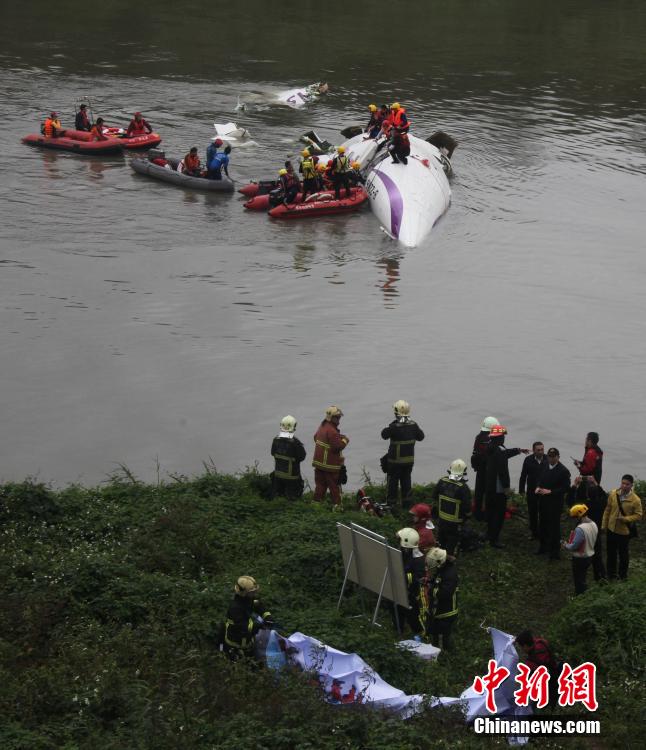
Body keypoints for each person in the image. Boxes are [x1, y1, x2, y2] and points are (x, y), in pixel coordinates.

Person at [485, 425, 529, 548]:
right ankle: (494, 540)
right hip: (499, 489)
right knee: (498, 514)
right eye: (503, 436)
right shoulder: (499, 450)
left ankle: (489, 534)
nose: (504, 438)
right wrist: (506, 487)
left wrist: (518, 450)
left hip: (489, 486)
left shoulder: (491, 447)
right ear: (499, 437)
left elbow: (504, 453)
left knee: (490, 511)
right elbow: (503, 471)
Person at [381, 400, 425, 506]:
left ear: (396, 413)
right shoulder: (414, 425)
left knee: (392, 485)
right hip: (408, 463)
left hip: (394, 463)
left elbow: (384, 435)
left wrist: (392, 424)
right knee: (406, 483)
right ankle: (407, 506)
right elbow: (421, 437)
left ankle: (391, 507)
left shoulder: (394, 427)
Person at [222, 576, 273, 661]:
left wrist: (267, 616)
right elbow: (243, 626)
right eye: (252, 592)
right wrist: (260, 626)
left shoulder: (248, 599)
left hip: (248, 643)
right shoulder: (235, 608)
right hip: (235, 646)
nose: (254, 594)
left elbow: (259, 606)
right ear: (244, 593)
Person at [602, 474, 642, 580]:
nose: (624, 486)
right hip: (611, 529)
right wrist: (604, 525)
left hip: (624, 532)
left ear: (631, 485)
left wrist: (626, 519)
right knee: (610, 553)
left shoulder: (635, 500)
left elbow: (639, 515)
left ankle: (623, 576)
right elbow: (607, 510)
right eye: (623, 483)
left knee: (623, 555)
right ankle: (611, 575)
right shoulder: (613, 494)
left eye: (627, 484)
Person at [535, 448, 572, 560]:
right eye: (550, 456)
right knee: (543, 524)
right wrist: (538, 487)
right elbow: (540, 479)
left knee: (554, 527)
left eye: (554, 456)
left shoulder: (563, 471)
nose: (551, 458)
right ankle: (543, 547)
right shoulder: (545, 465)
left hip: (555, 503)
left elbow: (566, 488)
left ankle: (554, 552)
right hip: (543, 501)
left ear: (558, 457)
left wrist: (551, 491)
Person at [569, 475, 607, 581]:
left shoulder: (582, 506)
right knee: (597, 557)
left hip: (583, 533)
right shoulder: (601, 504)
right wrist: (595, 483)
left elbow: (570, 501)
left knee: (580, 558)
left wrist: (575, 485)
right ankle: (600, 578)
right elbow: (604, 496)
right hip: (595, 533)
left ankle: (581, 581)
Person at [312, 406, 349, 511]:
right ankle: (337, 508)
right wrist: (345, 440)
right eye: (337, 417)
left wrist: (337, 436)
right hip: (330, 465)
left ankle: (315, 506)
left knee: (320, 486)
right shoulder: (332, 431)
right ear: (332, 418)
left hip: (319, 464)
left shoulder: (322, 426)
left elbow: (316, 437)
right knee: (334, 487)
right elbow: (337, 447)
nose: (339, 420)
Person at [432, 459, 472, 556]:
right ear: (463, 473)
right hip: (455, 523)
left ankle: (438, 559)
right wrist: (468, 518)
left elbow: (434, 496)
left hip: (441, 520)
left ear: (450, 470)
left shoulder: (442, 482)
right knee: (451, 543)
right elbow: (467, 508)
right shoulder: (463, 488)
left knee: (441, 540)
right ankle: (448, 561)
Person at [424, 547, 458, 651]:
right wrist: (429, 582)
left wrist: (430, 590)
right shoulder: (441, 569)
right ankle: (435, 649)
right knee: (435, 631)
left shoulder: (450, 574)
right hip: (438, 609)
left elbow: (445, 593)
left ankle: (446, 653)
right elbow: (436, 581)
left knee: (444, 636)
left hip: (447, 612)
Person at [394, 527, 426, 636]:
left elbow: (416, 580)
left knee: (413, 615)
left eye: (400, 540)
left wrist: (405, 581)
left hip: (411, 594)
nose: (398, 543)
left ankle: (419, 634)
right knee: (397, 609)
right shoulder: (405, 553)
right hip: (401, 590)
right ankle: (399, 629)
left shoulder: (418, 561)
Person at [515, 630, 559, 707]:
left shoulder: (531, 662)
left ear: (525, 646)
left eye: (521, 647)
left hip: (549, 683)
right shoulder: (542, 643)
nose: (522, 650)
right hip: (556, 672)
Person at [562, 504, 598, 595]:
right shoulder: (593, 524)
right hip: (590, 555)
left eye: (574, 517)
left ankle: (579, 597)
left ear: (578, 517)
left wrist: (566, 545)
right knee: (583, 577)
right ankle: (584, 595)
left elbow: (574, 546)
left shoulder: (580, 529)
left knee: (579, 580)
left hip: (580, 558)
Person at [270, 415, 306, 500]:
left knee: (278, 496)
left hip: (278, 475)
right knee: (293, 498)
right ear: (293, 427)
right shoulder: (295, 443)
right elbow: (302, 457)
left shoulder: (275, 439)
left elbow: (272, 453)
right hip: (292, 477)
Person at [471, 416, 498, 521]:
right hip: (488, 470)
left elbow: (475, 453)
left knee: (479, 492)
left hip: (479, 469)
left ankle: (477, 514)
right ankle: (487, 515)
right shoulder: (490, 439)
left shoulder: (478, 437)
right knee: (489, 493)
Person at [518, 441, 546, 540]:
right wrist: (521, 490)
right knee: (532, 512)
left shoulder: (547, 459)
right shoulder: (528, 460)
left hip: (544, 491)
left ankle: (543, 532)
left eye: (542, 449)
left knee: (544, 512)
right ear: (533, 450)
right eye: (538, 450)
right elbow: (523, 476)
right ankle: (534, 532)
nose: (541, 452)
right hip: (531, 490)